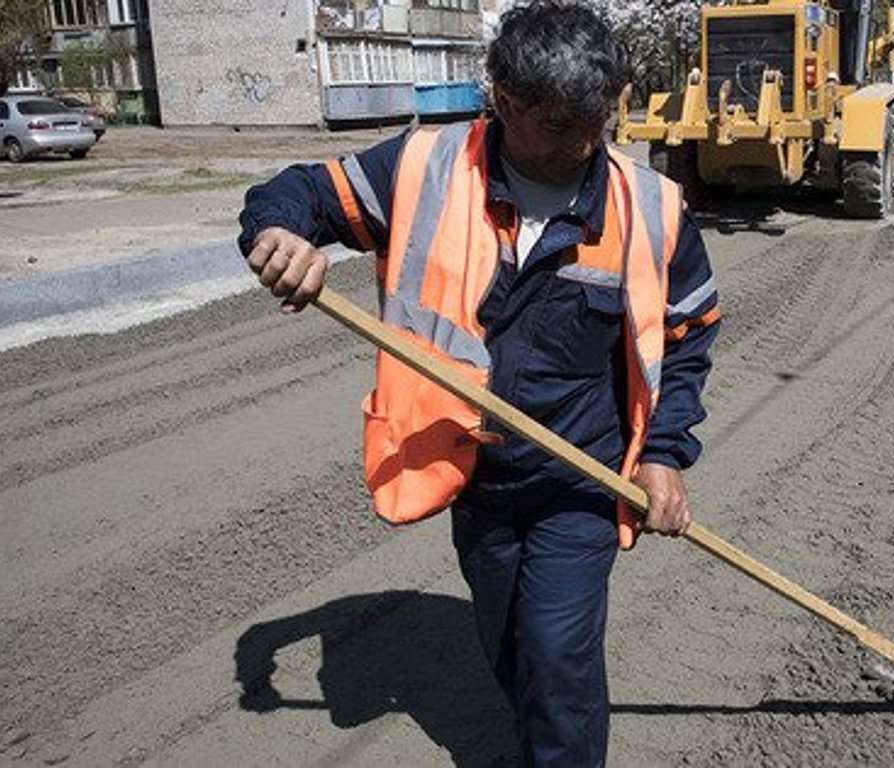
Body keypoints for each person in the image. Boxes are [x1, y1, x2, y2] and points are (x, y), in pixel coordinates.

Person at [236, 2, 720, 764]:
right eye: (560, 126)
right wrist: (279, 234)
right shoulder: (424, 170)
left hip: (582, 481)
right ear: (504, 98)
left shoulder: (649, 208)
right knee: (508, 649)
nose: (585, 144)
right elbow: (300, 192)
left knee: (558, 656)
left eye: (598, 122)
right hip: (475, 477)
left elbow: (691, 334)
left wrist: (663, 453)